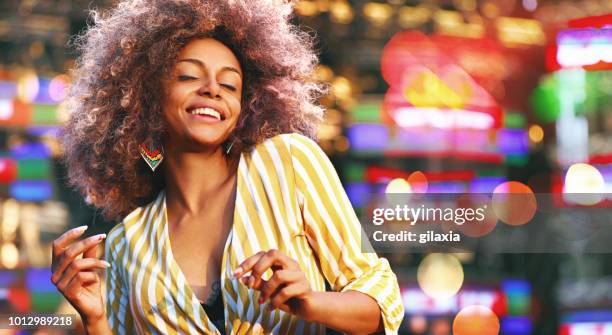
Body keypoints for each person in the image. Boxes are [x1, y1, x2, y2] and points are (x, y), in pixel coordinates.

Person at [51, 0, 404, 334]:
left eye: (229, 84)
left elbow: (381, 297)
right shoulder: (127, 242)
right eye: (188, 77)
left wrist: (311, 303)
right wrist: (95, 319)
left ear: (246, 105)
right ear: (145, 96)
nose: (212, 90)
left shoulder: (290, 163)